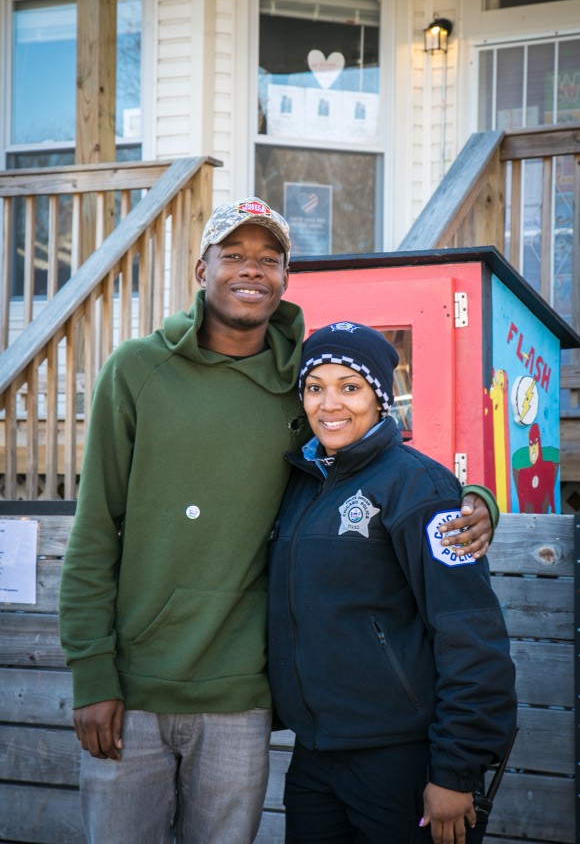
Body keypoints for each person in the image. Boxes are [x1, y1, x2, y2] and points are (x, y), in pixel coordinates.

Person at [59, 198, 499, 844]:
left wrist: (476, 499)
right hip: (138, 688)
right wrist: (92, 672)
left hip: (247, 697)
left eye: (269, 259)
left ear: (286, 277)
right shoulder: (137, 371)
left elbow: (389, 459)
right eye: (234, 255)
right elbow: (95, 530)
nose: (251, 270)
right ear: (201, 268)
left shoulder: (300, 379)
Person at [266, 321, 517, 844]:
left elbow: (469, 632)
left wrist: (455, 771)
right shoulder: (299, 482)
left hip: (402, 757)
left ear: (380, 397)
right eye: (315, 387)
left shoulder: (419, 487)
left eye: (349, 387)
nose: (330, 404)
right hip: (315, 754)